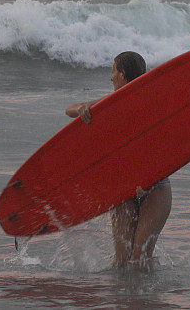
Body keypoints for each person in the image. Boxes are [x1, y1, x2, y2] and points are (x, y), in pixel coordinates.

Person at [65, 51, 172, 270]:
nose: (111, 77)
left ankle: (147, 300)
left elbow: (165, 149)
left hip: (155, 188)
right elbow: (70, 109)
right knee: (121, 262)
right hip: (124, 190)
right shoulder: (110, 104)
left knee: (139, 261)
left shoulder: (152, 106)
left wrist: (146, 178)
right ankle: (121, 301)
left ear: (122, 75)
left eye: (113, 71)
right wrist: (81, 109)